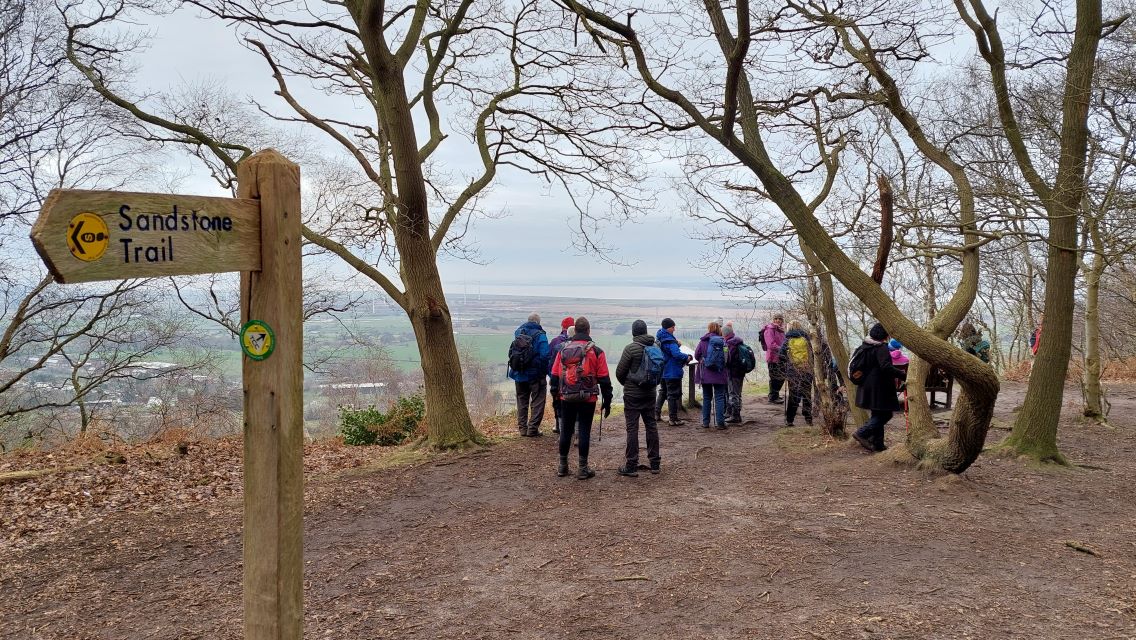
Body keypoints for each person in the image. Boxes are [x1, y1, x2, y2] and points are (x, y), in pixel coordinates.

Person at [550, 317, 613, 479]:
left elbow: (555, 376)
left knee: (566, 430)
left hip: (566, 396)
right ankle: (582, 469)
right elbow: (604, 378)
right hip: (588, 397)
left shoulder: (563, 349)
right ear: (588, 331)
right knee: (584, 430)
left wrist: (556, 397)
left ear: (575, 330)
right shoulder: (596, 351)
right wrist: (608, 400)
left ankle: (562, 466)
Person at [850, 323, 907, 452]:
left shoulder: (864, 346)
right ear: (884, 335)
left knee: (878, 413)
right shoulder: (881, 347)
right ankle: (861, 433)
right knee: (886, 415)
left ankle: (878, 444)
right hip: (879, 388)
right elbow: (885, 367)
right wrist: (902, 375)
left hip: (866, 387)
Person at [615, 320, 662, 476]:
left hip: (632, 395)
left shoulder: (630, 349)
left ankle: (631, 465)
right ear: (646, 331)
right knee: (651, 426)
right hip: (650, 393)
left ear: (634, 333)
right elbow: (659, 373)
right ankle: (655, 463)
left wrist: (628, 384)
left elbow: (619, 372)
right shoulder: (655, 347)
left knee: (632, 428)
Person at [507, 312, 550, 437]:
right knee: (538, 401)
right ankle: (532, 429)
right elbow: (545, 355)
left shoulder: (518, 333)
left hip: (519, 373)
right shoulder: (541, 336)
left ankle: (522, 429)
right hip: (535, 375)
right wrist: (543, 371)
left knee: (522, 401)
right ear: (538, 323)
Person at [655, 318, 692, 426]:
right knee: (672, 394)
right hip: (672, 372)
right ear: (668, 328)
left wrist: (677, 344)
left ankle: (656, 414)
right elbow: (676, 354)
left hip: (663, 371)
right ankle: (673, 419)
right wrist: (687, 357)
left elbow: (667, 352)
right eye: (672, 327)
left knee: (663, 392)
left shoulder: (660, 338)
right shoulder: (670, 341)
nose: (674, 329)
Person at [778, 321, 813, 427]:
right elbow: (812, 353)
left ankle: (790, 420)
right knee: (806, 394)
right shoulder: (806, 339)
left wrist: (786, 365)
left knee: (794, 394)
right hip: (807, 370)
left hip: (793, 371)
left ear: (789, 328)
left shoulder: (788, 339)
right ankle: (808, 418)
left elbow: (781, 355)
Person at [694, 321, 728, 430]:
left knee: (707, 397)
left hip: (705, 373)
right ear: (719, 329)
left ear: (708, 329)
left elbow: (696, 355)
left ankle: (705, 422)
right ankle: (720, 423)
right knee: (719, 398)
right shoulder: (723, 342)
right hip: (719, 373)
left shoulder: (703, 341)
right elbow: (728, 357)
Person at [548, 317, 576, 433]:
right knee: (573, 402)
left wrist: (552, 377)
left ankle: (558, 425)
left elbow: (549, 361)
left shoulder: (555, 342)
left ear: (562, 326)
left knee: (558, 402)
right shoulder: (582, 344)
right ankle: (574, 427)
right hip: (575, 379)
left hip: (558, 378)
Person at [723, 324, 746, 424]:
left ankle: (735, 416)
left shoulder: (729, 343)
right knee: (738, 393)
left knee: (733, 394)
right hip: (740, 372)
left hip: (733, 373)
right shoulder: (737, 341)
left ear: (724, 334)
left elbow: (727, 360)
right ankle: (733, 413)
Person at [761, 314, 787, 403]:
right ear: (773, 320)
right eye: (776, 319)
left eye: (780, 319)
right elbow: (770, 344)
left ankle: (775, 395)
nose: (778, 320)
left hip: (781, 357)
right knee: (774, 377)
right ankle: (773, 397)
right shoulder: (770, 329)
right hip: (773, 357)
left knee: (782, 377)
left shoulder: (781, 330)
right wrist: (782, 348)